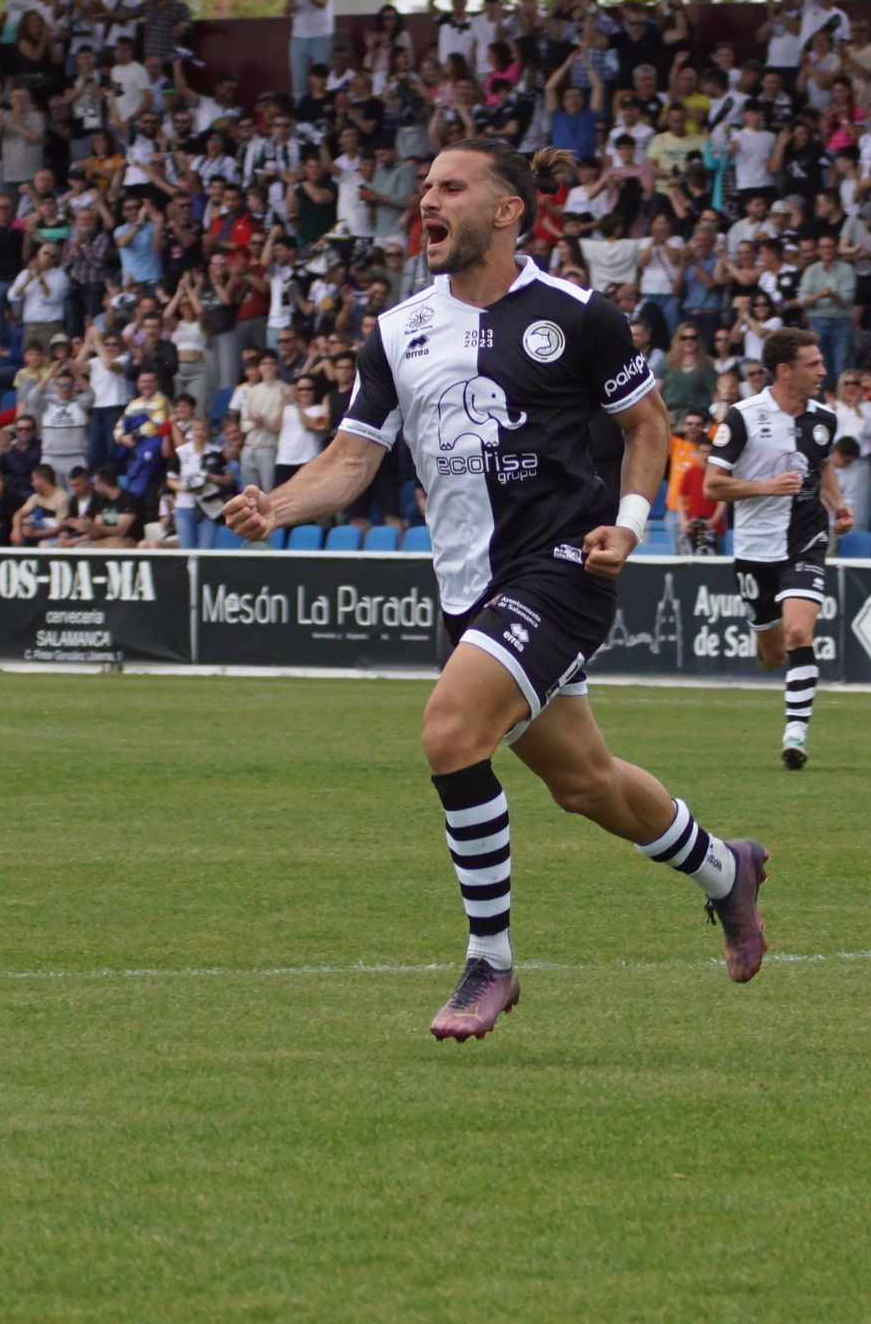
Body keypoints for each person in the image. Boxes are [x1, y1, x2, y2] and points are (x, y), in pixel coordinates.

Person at [224, 139, 769, 1042]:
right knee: (587, 784)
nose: (427, 202)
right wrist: (274, 507)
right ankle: (725, 869)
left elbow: (647, 426)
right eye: (425, 188)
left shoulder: (578, 315)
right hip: (470, 588)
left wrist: (631, 523)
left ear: (509, 210)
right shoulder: (398, 332)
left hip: (563, 569)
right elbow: (355, 457)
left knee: (449, 730)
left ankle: (492, 963)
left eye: (450, 187)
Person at [702, 327, 852, 769]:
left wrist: (838, 506)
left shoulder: (824, 420)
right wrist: (765, 486)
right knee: (773, 654)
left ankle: (795, 734)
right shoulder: (742, 417)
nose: (824, 371)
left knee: (799, 634)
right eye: (813, 365)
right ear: (785, 371)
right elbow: (713, 485)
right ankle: (773, 653)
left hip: (805, 540)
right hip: (754, 547)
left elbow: (820, 468)